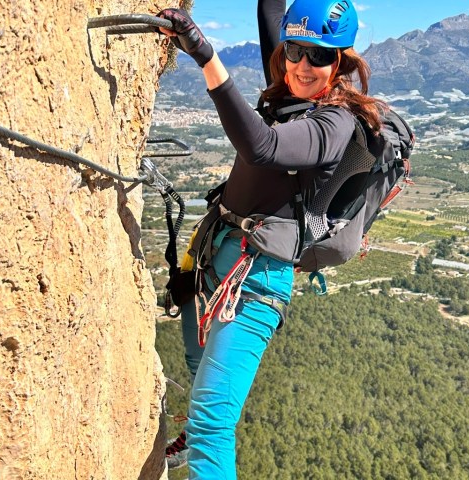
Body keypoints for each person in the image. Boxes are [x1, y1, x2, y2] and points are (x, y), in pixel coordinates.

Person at [157, 0, 386, 477]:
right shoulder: (287, 87)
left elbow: (263, 148)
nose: (304, 65)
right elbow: (270, 9)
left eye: (320, 56)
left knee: (211, 425)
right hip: (214, 259)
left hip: (256, 279)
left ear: (339, 62)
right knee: (201, 379)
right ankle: (186, 445)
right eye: (296, 50)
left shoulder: (334, 125)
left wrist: (204, 55)